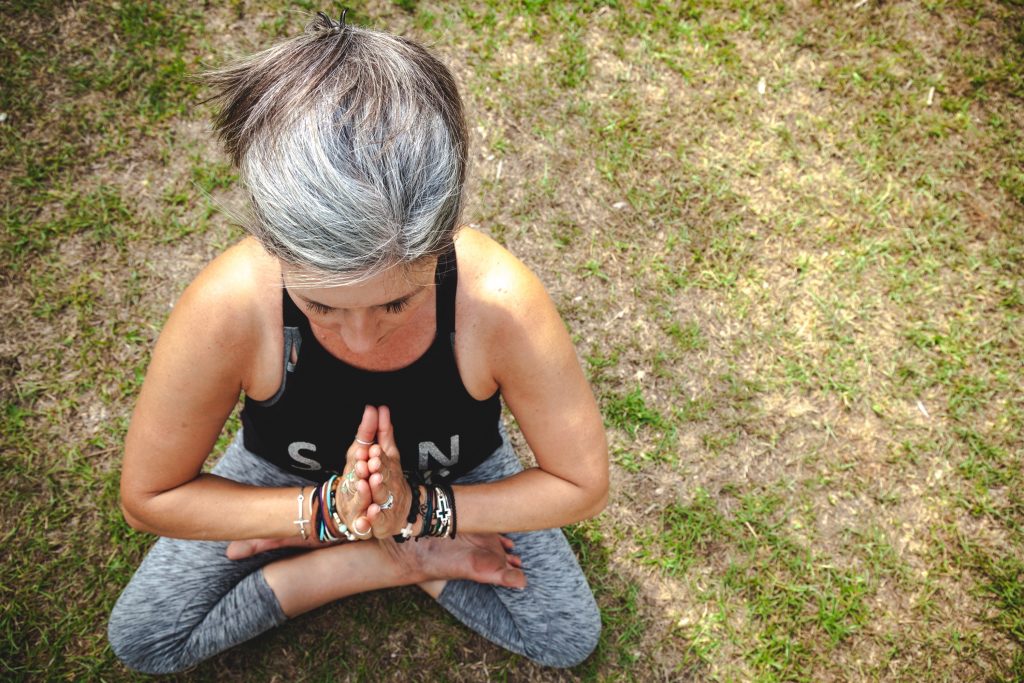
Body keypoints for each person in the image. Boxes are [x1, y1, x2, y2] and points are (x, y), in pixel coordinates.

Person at [107, 12, 608, 674]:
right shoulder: (230, 306)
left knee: (566, 634)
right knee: (144, 636)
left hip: (455, 472)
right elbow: (150, 496)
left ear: (444, 242)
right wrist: (332, 519)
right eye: (319, 305)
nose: (361, 333)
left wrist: (424, 508)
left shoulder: (498, 302)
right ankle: (382, 563)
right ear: (274, 249)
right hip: (289, 472)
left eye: (396, 301)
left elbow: (581, 481)